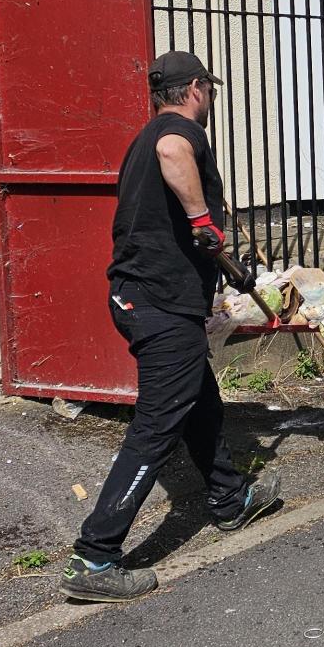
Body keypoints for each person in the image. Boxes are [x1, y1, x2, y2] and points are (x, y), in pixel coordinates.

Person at [61, 51, 280, 602]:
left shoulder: (141, 138)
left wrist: (220, 261)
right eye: (210, 91)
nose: (210, 101)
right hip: (158, 303)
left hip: (148, 299)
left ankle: (231, 499)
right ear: (196, 89)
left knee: (200, 400)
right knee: (159, 422)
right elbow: (173, 150)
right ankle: (95, 554)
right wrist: (204, 221)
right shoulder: (176, 132)